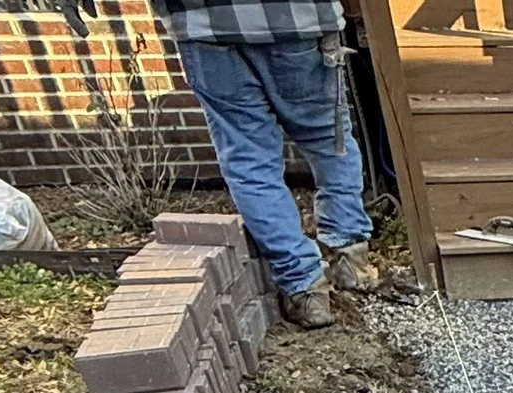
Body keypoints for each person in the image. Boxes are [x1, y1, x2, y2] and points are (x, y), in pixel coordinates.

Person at [157, 0, 381, 328]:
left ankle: (306, 290)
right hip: (298, 18)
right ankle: (352, 259)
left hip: (205, 27)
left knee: (250, 160)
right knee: (327, 139)